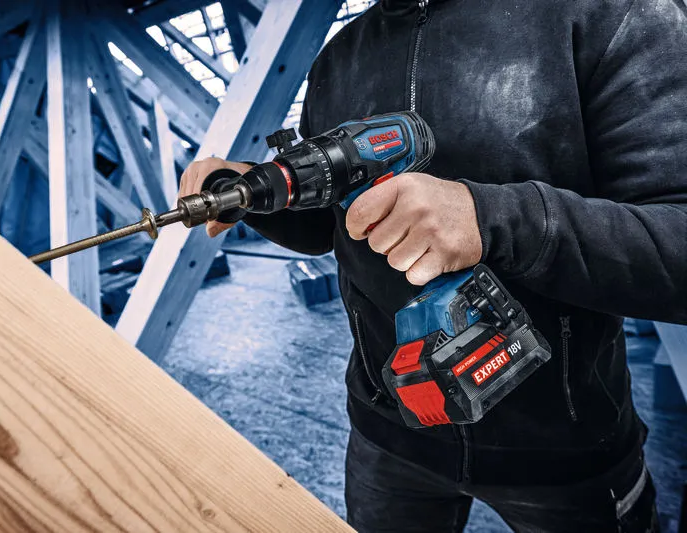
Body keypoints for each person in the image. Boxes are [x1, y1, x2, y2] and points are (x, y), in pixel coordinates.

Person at [178, 0, 687, 531]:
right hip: (389, 430)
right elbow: (327, 226)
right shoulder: (337, 58)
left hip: (565, 451)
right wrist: (257, 191)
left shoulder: (609, 13)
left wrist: (491, 217)